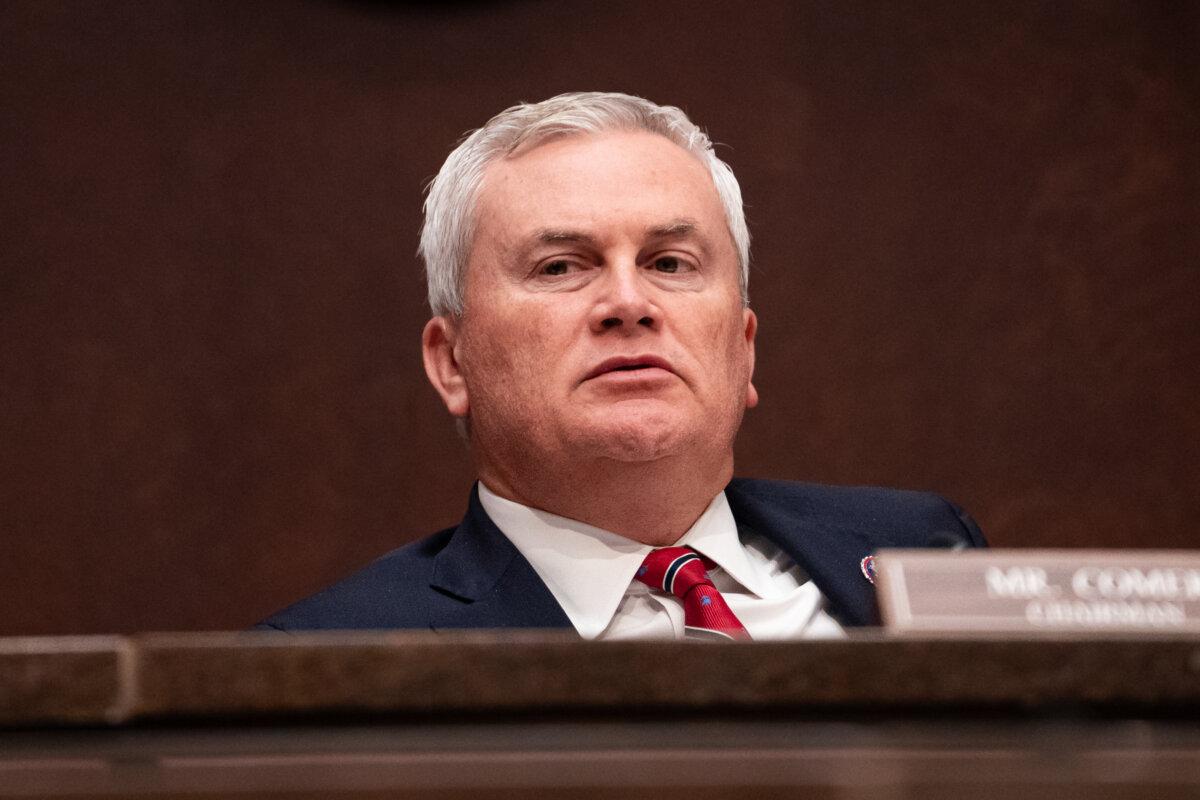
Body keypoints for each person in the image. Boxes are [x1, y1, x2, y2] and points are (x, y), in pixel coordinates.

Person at [258, 92, 984, 639]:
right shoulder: (318, 657)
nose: (628, 302)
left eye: (670, 262)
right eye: (560, 267)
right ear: (452, 363)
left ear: (743, 345)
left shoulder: (920, 546)